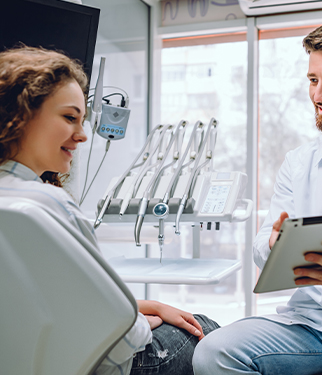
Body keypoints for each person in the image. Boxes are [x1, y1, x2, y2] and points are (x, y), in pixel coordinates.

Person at [0, 45, 219, 375]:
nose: (83, 135)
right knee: (208, 329)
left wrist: (144, 307)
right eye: (70, 117)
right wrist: (145, 321)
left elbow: (43, 303)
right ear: (21, 113)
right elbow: (121, 340)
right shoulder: (48, 205)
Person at [193, 15, 322, 375]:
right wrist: (276, 244)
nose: (319, 95)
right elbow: (263, 245)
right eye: (313, 80)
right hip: (309, 326)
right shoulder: (298, 162)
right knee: (213, 353)